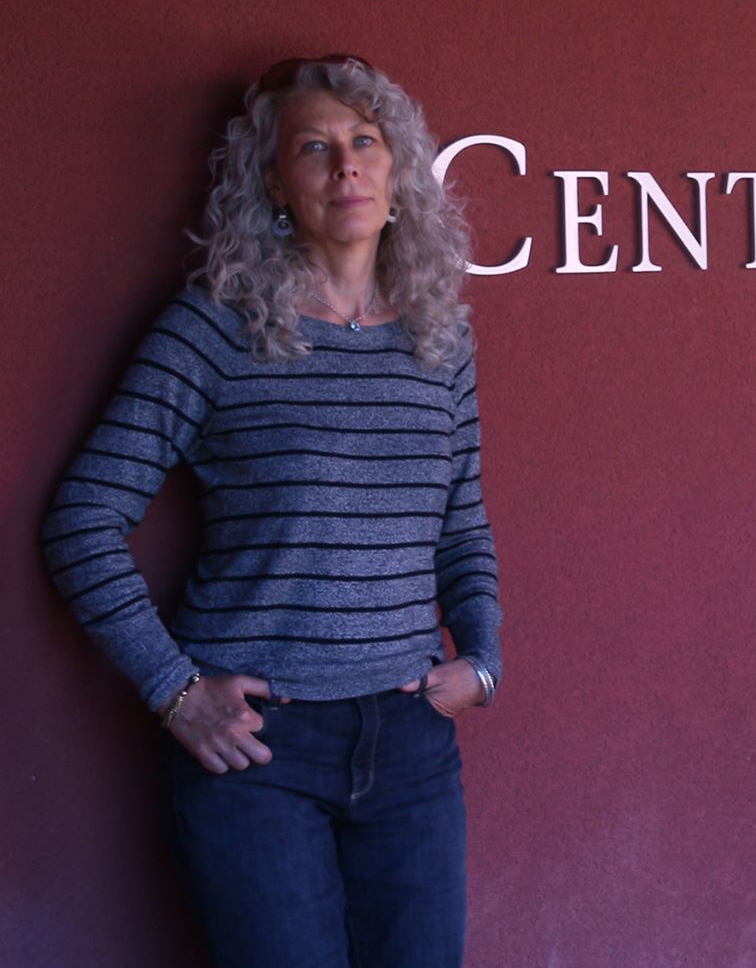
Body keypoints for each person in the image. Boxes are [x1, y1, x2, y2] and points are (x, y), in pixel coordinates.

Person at [42, 55, 503, 968]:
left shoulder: (439, 340)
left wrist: (483, 660)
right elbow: (81, 517)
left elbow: (462, 521)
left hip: (411, 744)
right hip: (261, 752)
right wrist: (175, 692)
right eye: (314, 147)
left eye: (365, 140)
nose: (347, 165)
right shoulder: (215, 328)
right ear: (275, 184)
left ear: (398, 171)